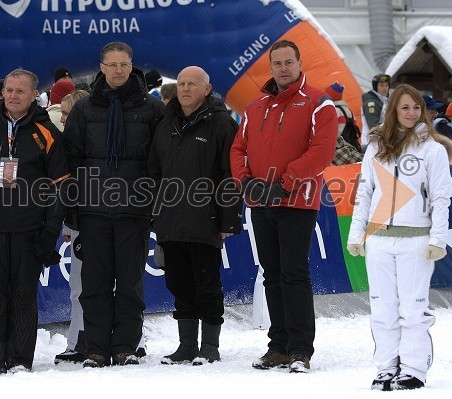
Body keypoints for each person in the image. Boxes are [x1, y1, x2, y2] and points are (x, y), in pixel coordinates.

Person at [230, 39, 338, 373]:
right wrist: (245, 181)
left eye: (288, 62)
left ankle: (300, 350)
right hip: (260, 201)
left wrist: (285, 184)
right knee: (272, 274)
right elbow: (238, 148)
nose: (283, 68)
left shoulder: (320, 103)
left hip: (296, 202)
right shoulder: (255, 105)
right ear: (271, 66)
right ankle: (278, 346)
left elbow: (321, 152)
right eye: (277, 63)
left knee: (293, 273)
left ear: (299, 63)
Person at [0, 68, 69, 376]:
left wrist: (50, 229)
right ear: (1, 92)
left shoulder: (47, 131)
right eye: (9, 90)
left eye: (20, 91)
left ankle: (20, 361)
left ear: (35, 95)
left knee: (23, 295)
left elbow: (60, 185)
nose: (13, 96)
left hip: (29, 228)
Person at [64, 42, 164, 368]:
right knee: (94, 284)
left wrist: (152, 203)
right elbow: (72, 161)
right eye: (112, 64)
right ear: (102, 67)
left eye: (124, 64)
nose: (118, 70)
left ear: (131, 65)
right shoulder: (84, 109)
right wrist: (73, 208)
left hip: (134, 211)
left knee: (130, 284)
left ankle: (125, 346)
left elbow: (158, 162)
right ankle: (95, 348)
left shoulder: (151, 109)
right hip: (93, 210)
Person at [347, 84, 452, 391]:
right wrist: (357, 234)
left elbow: (442, 198)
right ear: (393, 110)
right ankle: (385, 368)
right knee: (382, 308)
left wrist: (437, 239)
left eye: (416, 107)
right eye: (404, 107)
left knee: (412, 307)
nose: (411, 113)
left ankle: (414, 369)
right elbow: (364, 193)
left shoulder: (432, 149)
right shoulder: (376, 149)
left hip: (416, 242)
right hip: (379, 241)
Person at [148, 66, 242, 366]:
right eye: (182, 84)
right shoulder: (165, 123)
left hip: (206, 220)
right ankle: (186, 345)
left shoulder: (222, 123)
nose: (186, 89)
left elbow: (231, 174)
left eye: (193, 84)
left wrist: (228, 219)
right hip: (170, 220)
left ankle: (210, 346)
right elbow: (153, 171)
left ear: (206, 88)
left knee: (207, 285)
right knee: (178, 284)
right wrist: (154, 211)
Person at [53, 89, 90, 364]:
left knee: (82, 288)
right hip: (79, 221)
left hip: (90, 221)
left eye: (66, 113)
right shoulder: (68, 143)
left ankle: (79, 342)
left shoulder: (79, 146)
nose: (62, 119)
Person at [325, 82, 363, 165]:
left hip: (341, 150)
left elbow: (334, 133)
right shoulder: (349, 111)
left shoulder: (334, 111)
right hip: (352, 148)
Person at [361, 73, 391, 147]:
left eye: (386, 85)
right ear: (375, 87)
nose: (385, 88)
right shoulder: (372, 103)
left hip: (380, 141)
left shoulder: (383, 101)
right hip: (371, 142)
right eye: (381, 85)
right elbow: (373, 126)